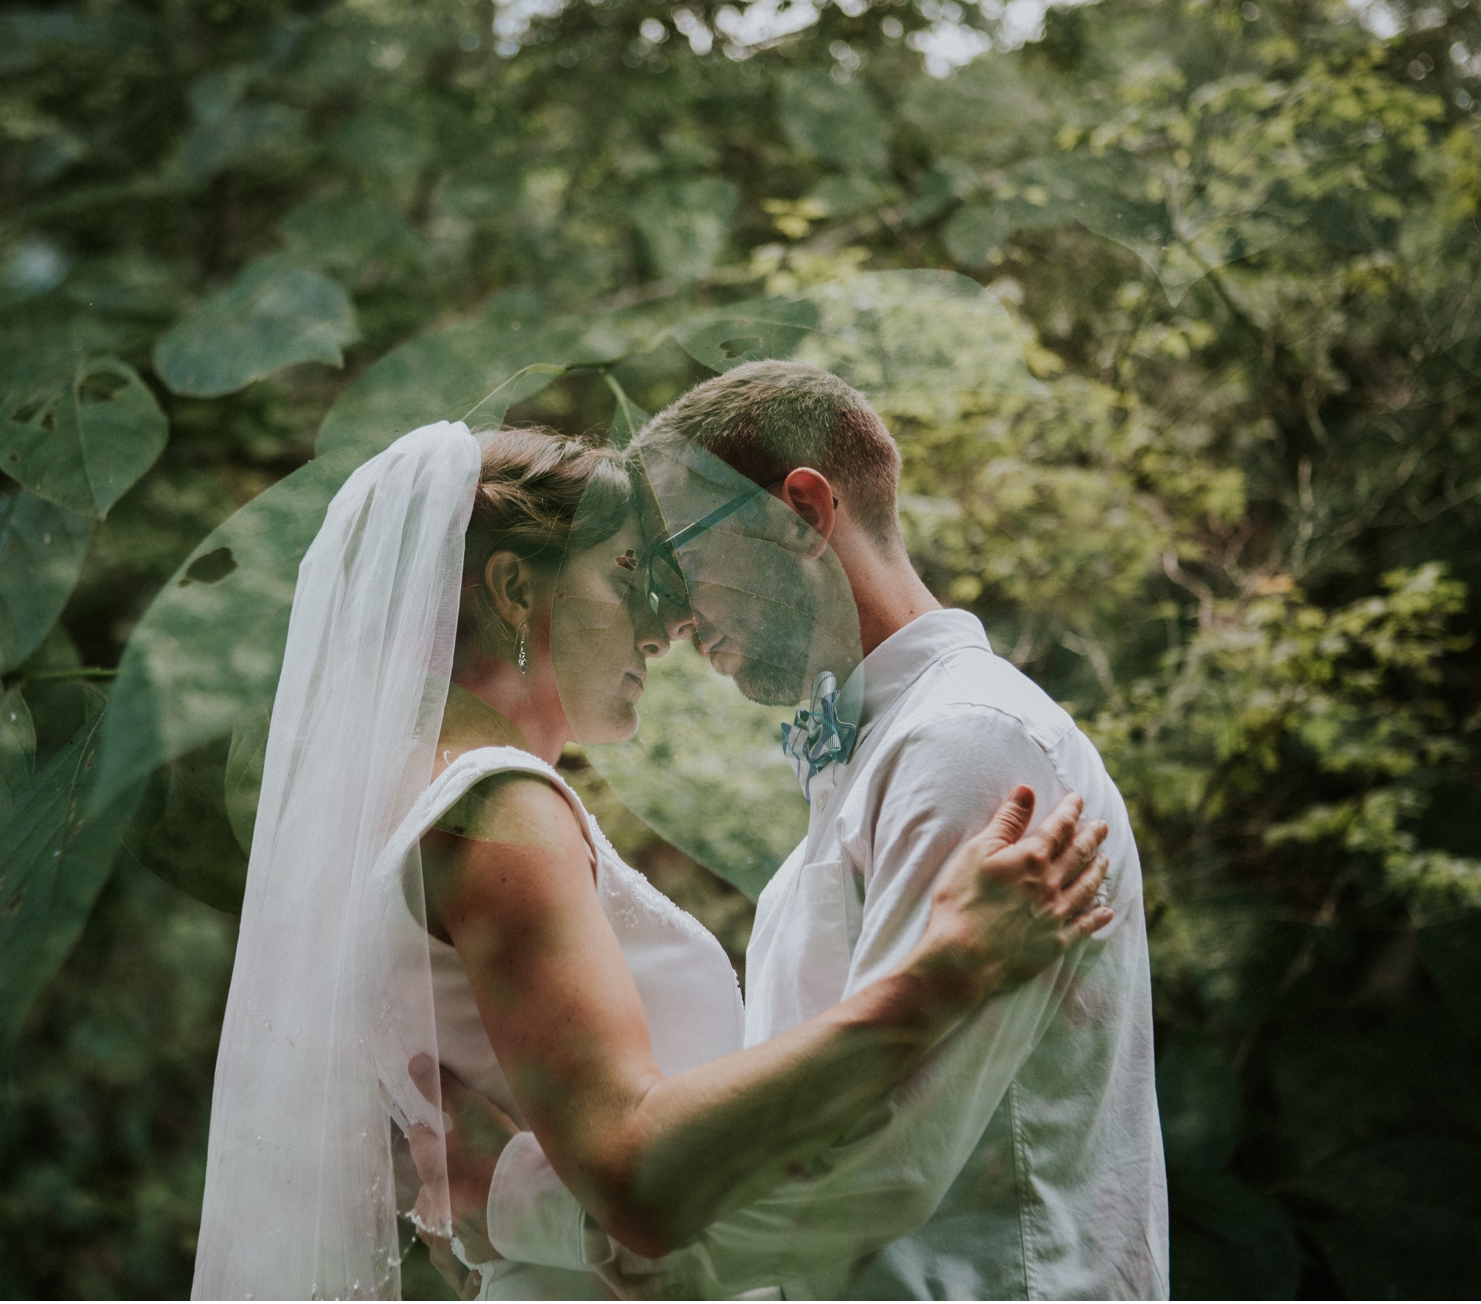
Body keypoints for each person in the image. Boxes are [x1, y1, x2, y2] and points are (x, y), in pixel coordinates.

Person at [189, 420, 1114, 1301]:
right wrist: (940, 973)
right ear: (514, 588)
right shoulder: (499, 807)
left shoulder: (407, 812)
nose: (665, 626)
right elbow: (635, 1169)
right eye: (630, 573)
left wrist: (507, 1202)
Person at [455, 362, 1170, 1299]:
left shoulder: (967, 745)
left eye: (678, 562)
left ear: (800, 514)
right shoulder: (875, 761)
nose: (667, 618)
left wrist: (513, 1211)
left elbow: (880, 1169)